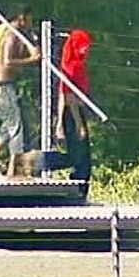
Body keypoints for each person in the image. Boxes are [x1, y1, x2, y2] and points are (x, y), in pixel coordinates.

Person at [0, 5, 41, 177]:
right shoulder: (11, 35)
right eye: (30, 18)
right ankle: (15, 170)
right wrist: (32, 59)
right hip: (2, 86)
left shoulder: (19, 35)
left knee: (11, 123)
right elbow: (7, 62)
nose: (31, 22)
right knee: (17, 126)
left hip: (6, 85)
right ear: (22, 17)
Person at [53, 29, 93, 184]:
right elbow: (69, 96)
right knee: (81, 158)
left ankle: (41, 161)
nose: (86, 49)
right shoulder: (74, 67)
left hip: (70, 112)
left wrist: (59, 122)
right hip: (74, 113)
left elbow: (63, 94)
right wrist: (79, 124)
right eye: (83, 45)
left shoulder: (68, 65)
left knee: (75, 154)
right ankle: (41, 161)